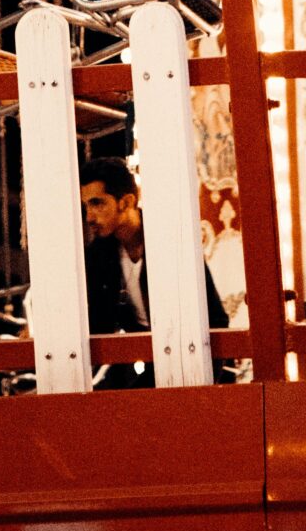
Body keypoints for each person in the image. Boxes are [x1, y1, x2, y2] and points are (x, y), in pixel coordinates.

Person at [80, 155, 226, 387]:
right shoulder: (99, 255)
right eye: (86, 206)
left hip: (198, 366)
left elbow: (216, 318)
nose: (89, 217)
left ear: (126, 202)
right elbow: (98, 324)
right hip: (152, 367)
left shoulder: (169, 242)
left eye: (97, 203)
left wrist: (207, 386)